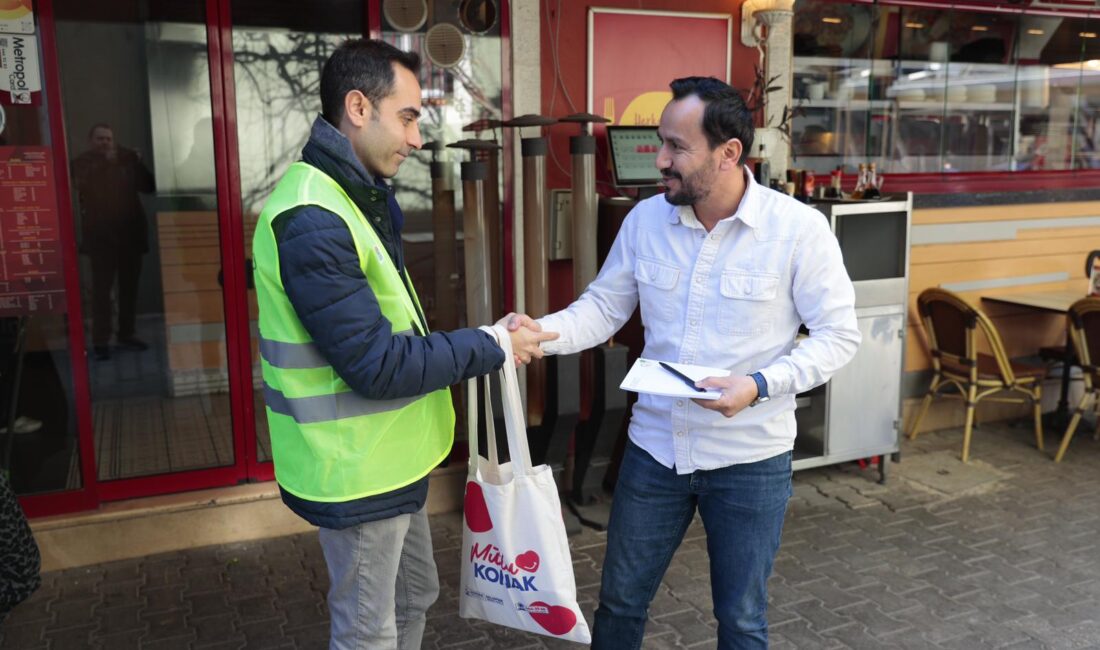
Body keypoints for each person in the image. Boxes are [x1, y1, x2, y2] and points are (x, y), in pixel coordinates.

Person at [531, 76, 860, 649]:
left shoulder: (798, 230)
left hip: (750, 459)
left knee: (741, 621)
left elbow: (838, 336)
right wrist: (539, 333)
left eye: (676, 147)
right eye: (661, 142)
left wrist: (758, 385)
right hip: (656, 449)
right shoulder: (645, 221)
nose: (660, 160)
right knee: (619, 605)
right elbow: (603, 310)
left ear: (729, 152)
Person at [251, 39, 555, 650]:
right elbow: (378, 364)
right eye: (410, 116)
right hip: (356, 470)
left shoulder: (352, 193)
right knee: (368, 630)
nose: (418, 139)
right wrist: (492, 343)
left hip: (391, 457)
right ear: (358, 107)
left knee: (415, 594)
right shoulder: (314, 216)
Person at [71, 124, 155, 361]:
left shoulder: (126, 161)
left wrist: (136, 162)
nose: (105, 143)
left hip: (130, 240)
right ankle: (100, 341)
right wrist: (113, 162)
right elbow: (82, 183)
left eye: (108, 139)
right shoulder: (83, 163)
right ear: (91, 141)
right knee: (102, 293)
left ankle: (126, 334)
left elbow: (149, 186)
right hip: (102, 241)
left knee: (129, 291)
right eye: (100, 139)